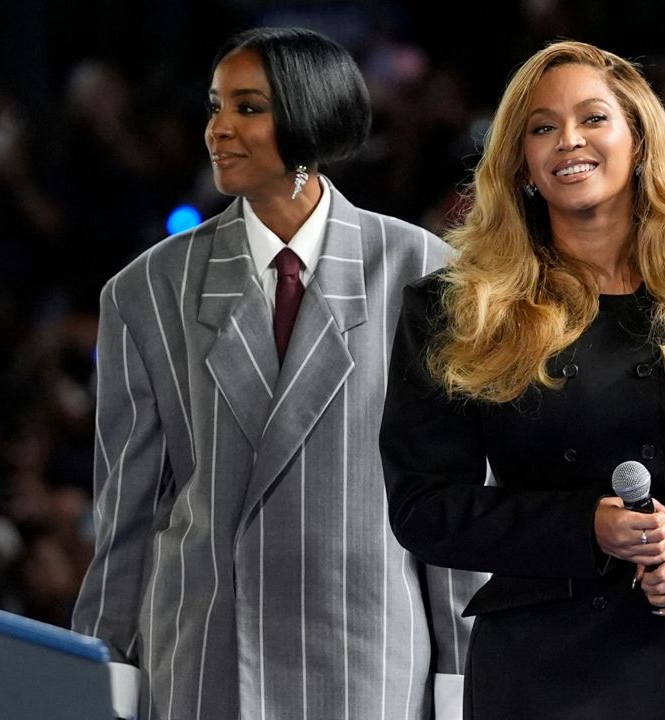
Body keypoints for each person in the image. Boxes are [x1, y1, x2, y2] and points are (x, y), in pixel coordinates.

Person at [380, 40, 665, 719]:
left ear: (641, 140)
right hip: (550, 664)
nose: (569, 140)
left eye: (594, 118)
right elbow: (424, 506)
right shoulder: (456, 307)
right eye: (542, 127)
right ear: (523, 163)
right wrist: (583, 526)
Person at [71, 27, 481, 720]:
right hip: (205, 665)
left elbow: (454, 502)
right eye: (214, 107)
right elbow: (127, 518)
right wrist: (103, 667)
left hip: (369, 661)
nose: (218, 130)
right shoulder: (144, 291)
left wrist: (465, 672)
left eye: (248, 108)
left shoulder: (423, 273)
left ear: (309, 118)